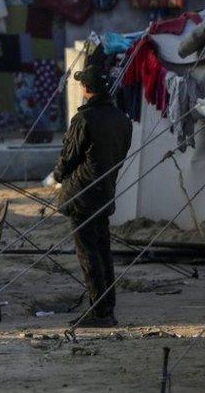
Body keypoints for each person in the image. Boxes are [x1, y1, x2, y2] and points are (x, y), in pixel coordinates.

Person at [54, 64, 132, 327]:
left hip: (82, 196)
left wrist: (57, 175)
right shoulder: (123, 120)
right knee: (103, 251)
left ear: (87, 89)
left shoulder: (84, 119)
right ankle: (106, 308)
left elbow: (68, 158)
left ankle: (99, 312)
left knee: (89, 254)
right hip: (105, 193)